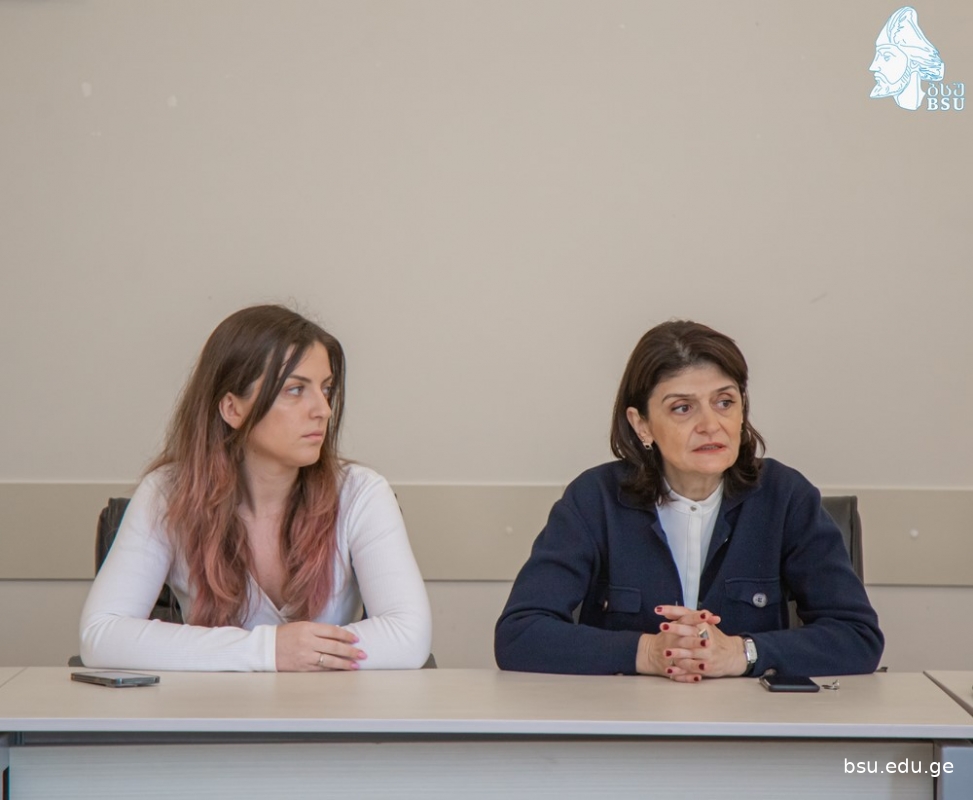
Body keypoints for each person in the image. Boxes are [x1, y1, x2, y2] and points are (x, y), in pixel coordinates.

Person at [495, 320, 883, 681]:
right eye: (683, 408)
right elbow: (519, 634)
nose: (711, 425)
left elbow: (857, 636)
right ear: (641, 424)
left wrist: (741, 653)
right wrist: (648, 652)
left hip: (751, 723)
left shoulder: (785, 497)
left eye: (724, 402)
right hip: (626, 721)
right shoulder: (595, 499)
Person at [80, 305, 432, 672]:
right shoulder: (166, 493)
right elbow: (100, 636)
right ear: (232, 409)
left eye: (326, 389)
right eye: (295, 389)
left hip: (329, 708)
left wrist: (278, 652)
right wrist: (269, 650)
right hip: (210, 708)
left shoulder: (361, 493)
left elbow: (409, 636)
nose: (323, 410)